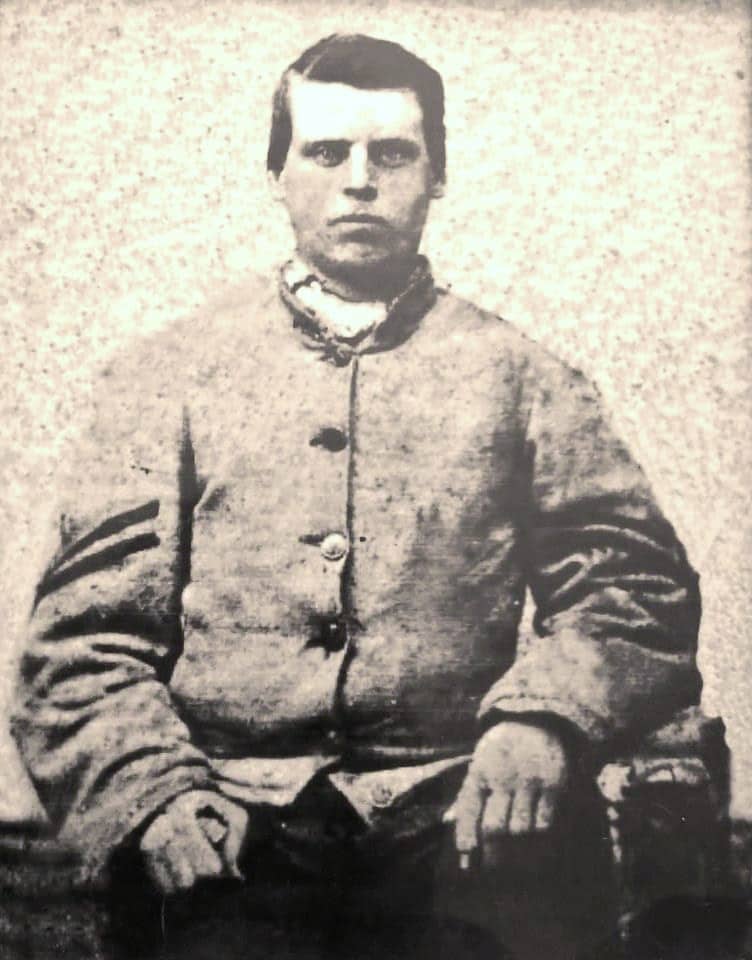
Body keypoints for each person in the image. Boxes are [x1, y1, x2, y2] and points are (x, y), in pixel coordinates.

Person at [11, 33, 704, 960]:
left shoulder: (524, 378)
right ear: (278, 175)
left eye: (394, 154)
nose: (361, 182)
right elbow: (82, 643)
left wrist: (543, 720)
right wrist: (156, 793)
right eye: (327, 152)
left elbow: (635, 592)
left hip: (460, 814)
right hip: (230, 818)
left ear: (438, 176)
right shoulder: (166, 379)